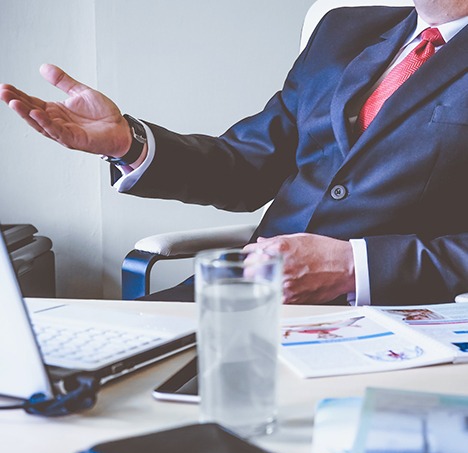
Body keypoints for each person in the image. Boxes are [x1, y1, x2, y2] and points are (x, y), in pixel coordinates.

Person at [1, 0, 467, 306]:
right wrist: (128, 141)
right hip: (244, 295)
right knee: (67, 366)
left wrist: (353, 268)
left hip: (399, 319)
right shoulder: (345, 29)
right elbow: (248, 166)